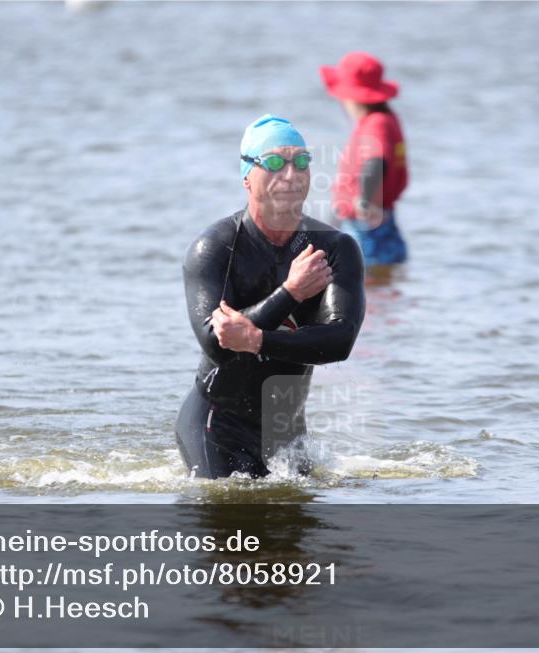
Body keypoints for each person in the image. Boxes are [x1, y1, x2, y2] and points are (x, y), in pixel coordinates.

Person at [175, 114, 366, 479]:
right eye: (275, 162)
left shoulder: (335, 249)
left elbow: (339, 342)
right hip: (217, 424)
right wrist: (290, 292)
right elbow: (218, 346)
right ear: (247, 176)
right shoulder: (215, 248)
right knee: (232, 523)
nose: (291, 175)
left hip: (286, 430)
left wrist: (258, 338)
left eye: (302, 162)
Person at [320, 52, 409, 267]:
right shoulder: (386, 119)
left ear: (351, 98)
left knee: (365, 282)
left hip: (366, 222)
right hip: (376, 219)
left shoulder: (376, 124)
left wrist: (366, 201)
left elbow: (375, 161)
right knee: (382, 274)